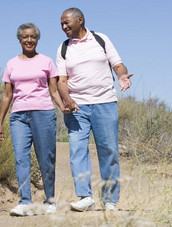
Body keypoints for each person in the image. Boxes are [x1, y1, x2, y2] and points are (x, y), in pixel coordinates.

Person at [56, 8, 133, 211]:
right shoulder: (64, 48)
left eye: (67, 23)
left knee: (109, 151)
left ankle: (110, 200)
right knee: (77, 150)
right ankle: (85, 197)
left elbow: (118, 64)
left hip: (105, 103)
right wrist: (67, 99)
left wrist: (122, 76)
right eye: (61, 24)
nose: (64, 27)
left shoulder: (101, 39)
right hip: (77, 107)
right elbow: (62, 81)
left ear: (80, 20)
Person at [0, 22, 67, 216]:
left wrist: (62, 107)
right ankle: (25, 202)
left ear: (37, 39)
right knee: (21, 158)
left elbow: (53, 90)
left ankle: (50, 201)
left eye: (33, 36)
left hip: (43, 113)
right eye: (25, 37)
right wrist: (0, 122)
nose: (29, 40)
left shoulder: (46, 61)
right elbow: (7, 95)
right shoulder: (11, 63)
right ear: (19, 39)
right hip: (18, 116)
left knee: (46, 158)